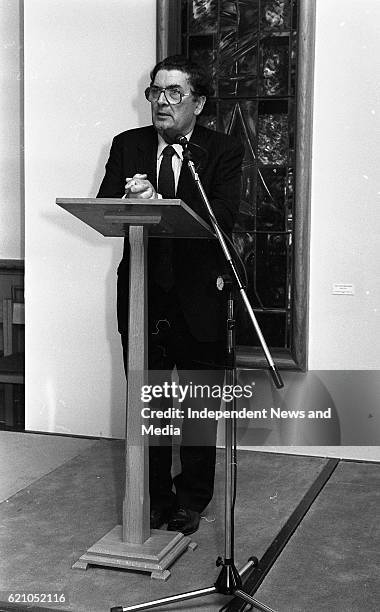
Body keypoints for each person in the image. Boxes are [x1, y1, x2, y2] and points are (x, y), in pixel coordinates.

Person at [97, 55, 244, 535]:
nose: (161, 101)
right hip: (144, 298)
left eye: (173, 92)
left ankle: (191, 500)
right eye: (155, 91)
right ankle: (155, 497)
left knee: (199, 407)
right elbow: (104, 210)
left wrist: (162, 203)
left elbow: (222, 215)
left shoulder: (221, 150)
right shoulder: (128, 145)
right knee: (151, 403)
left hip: (202, 296)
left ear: (198, 103)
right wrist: (129, 197)